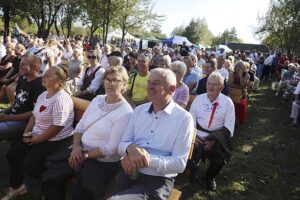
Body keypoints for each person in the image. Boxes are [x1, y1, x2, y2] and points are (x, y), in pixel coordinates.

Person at [41, 66, 133, 200]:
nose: (110, 83)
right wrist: (76, 148)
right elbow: (80, 127)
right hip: (80, 150)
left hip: (101, 162)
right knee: (50, 177)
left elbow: (110, 149)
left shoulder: (125, 112)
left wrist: (83, 155)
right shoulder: (98, 99)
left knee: (82, 194)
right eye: (108, 79)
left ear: (124, 84)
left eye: (116, 80)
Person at [108, 68, 194, 200]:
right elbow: (122, 145)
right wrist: (130, 149)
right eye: (149, 82)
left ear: (171, 89)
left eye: (156, 83)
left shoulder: (184, 119)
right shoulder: (138, 111)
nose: (150, 87)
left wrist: (144, 159)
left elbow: (180, 163)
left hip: (158, 181)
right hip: (129, 171)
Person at [1, 66, 74, 200]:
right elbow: (34, 116)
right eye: (44, 74)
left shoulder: (61, 99)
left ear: (58, 81)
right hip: (38, 135)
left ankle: (49, 186)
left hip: (55, 140)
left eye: (48, 75)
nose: (43, 77)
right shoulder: (43, 94)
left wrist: (37, 139)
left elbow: (57, 127)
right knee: (13, 155)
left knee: (30, 167)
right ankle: (18, 187)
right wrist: (27, 133)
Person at [189, 71, 235, 191]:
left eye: (215, 84)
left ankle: (210, 177)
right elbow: (190, 120)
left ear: (222, 87)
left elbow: (229, 127)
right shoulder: (198, 99)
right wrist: (193, 137)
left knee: (220, 160)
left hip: (217, 137)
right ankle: (192, 170)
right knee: (186, 148)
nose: (211, 87)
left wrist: (214, 141)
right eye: (209, 83)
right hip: (197, 135)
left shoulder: (227, 103)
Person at [0, 55, 45, 140]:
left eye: (23, 64)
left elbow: (34, 113)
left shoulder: (40, 85)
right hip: (11, 116)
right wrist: (5, 111)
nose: (19, 67)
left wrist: (7, 118)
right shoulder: (23, 79)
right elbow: (17, 101)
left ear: (34, 67)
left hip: (22, 122)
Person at [228, 61, 249, 127]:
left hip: (242, 94)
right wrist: (240, 87)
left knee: (241, 105)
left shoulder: (246, 75)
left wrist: (240, 76)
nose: (239, 68)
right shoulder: (232, 73)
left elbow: (244, 85)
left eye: (241, 67)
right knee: (231, 104)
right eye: (238, 66)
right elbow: (230, 84)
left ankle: (238, 121)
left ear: (244, 68)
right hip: (232, 92)